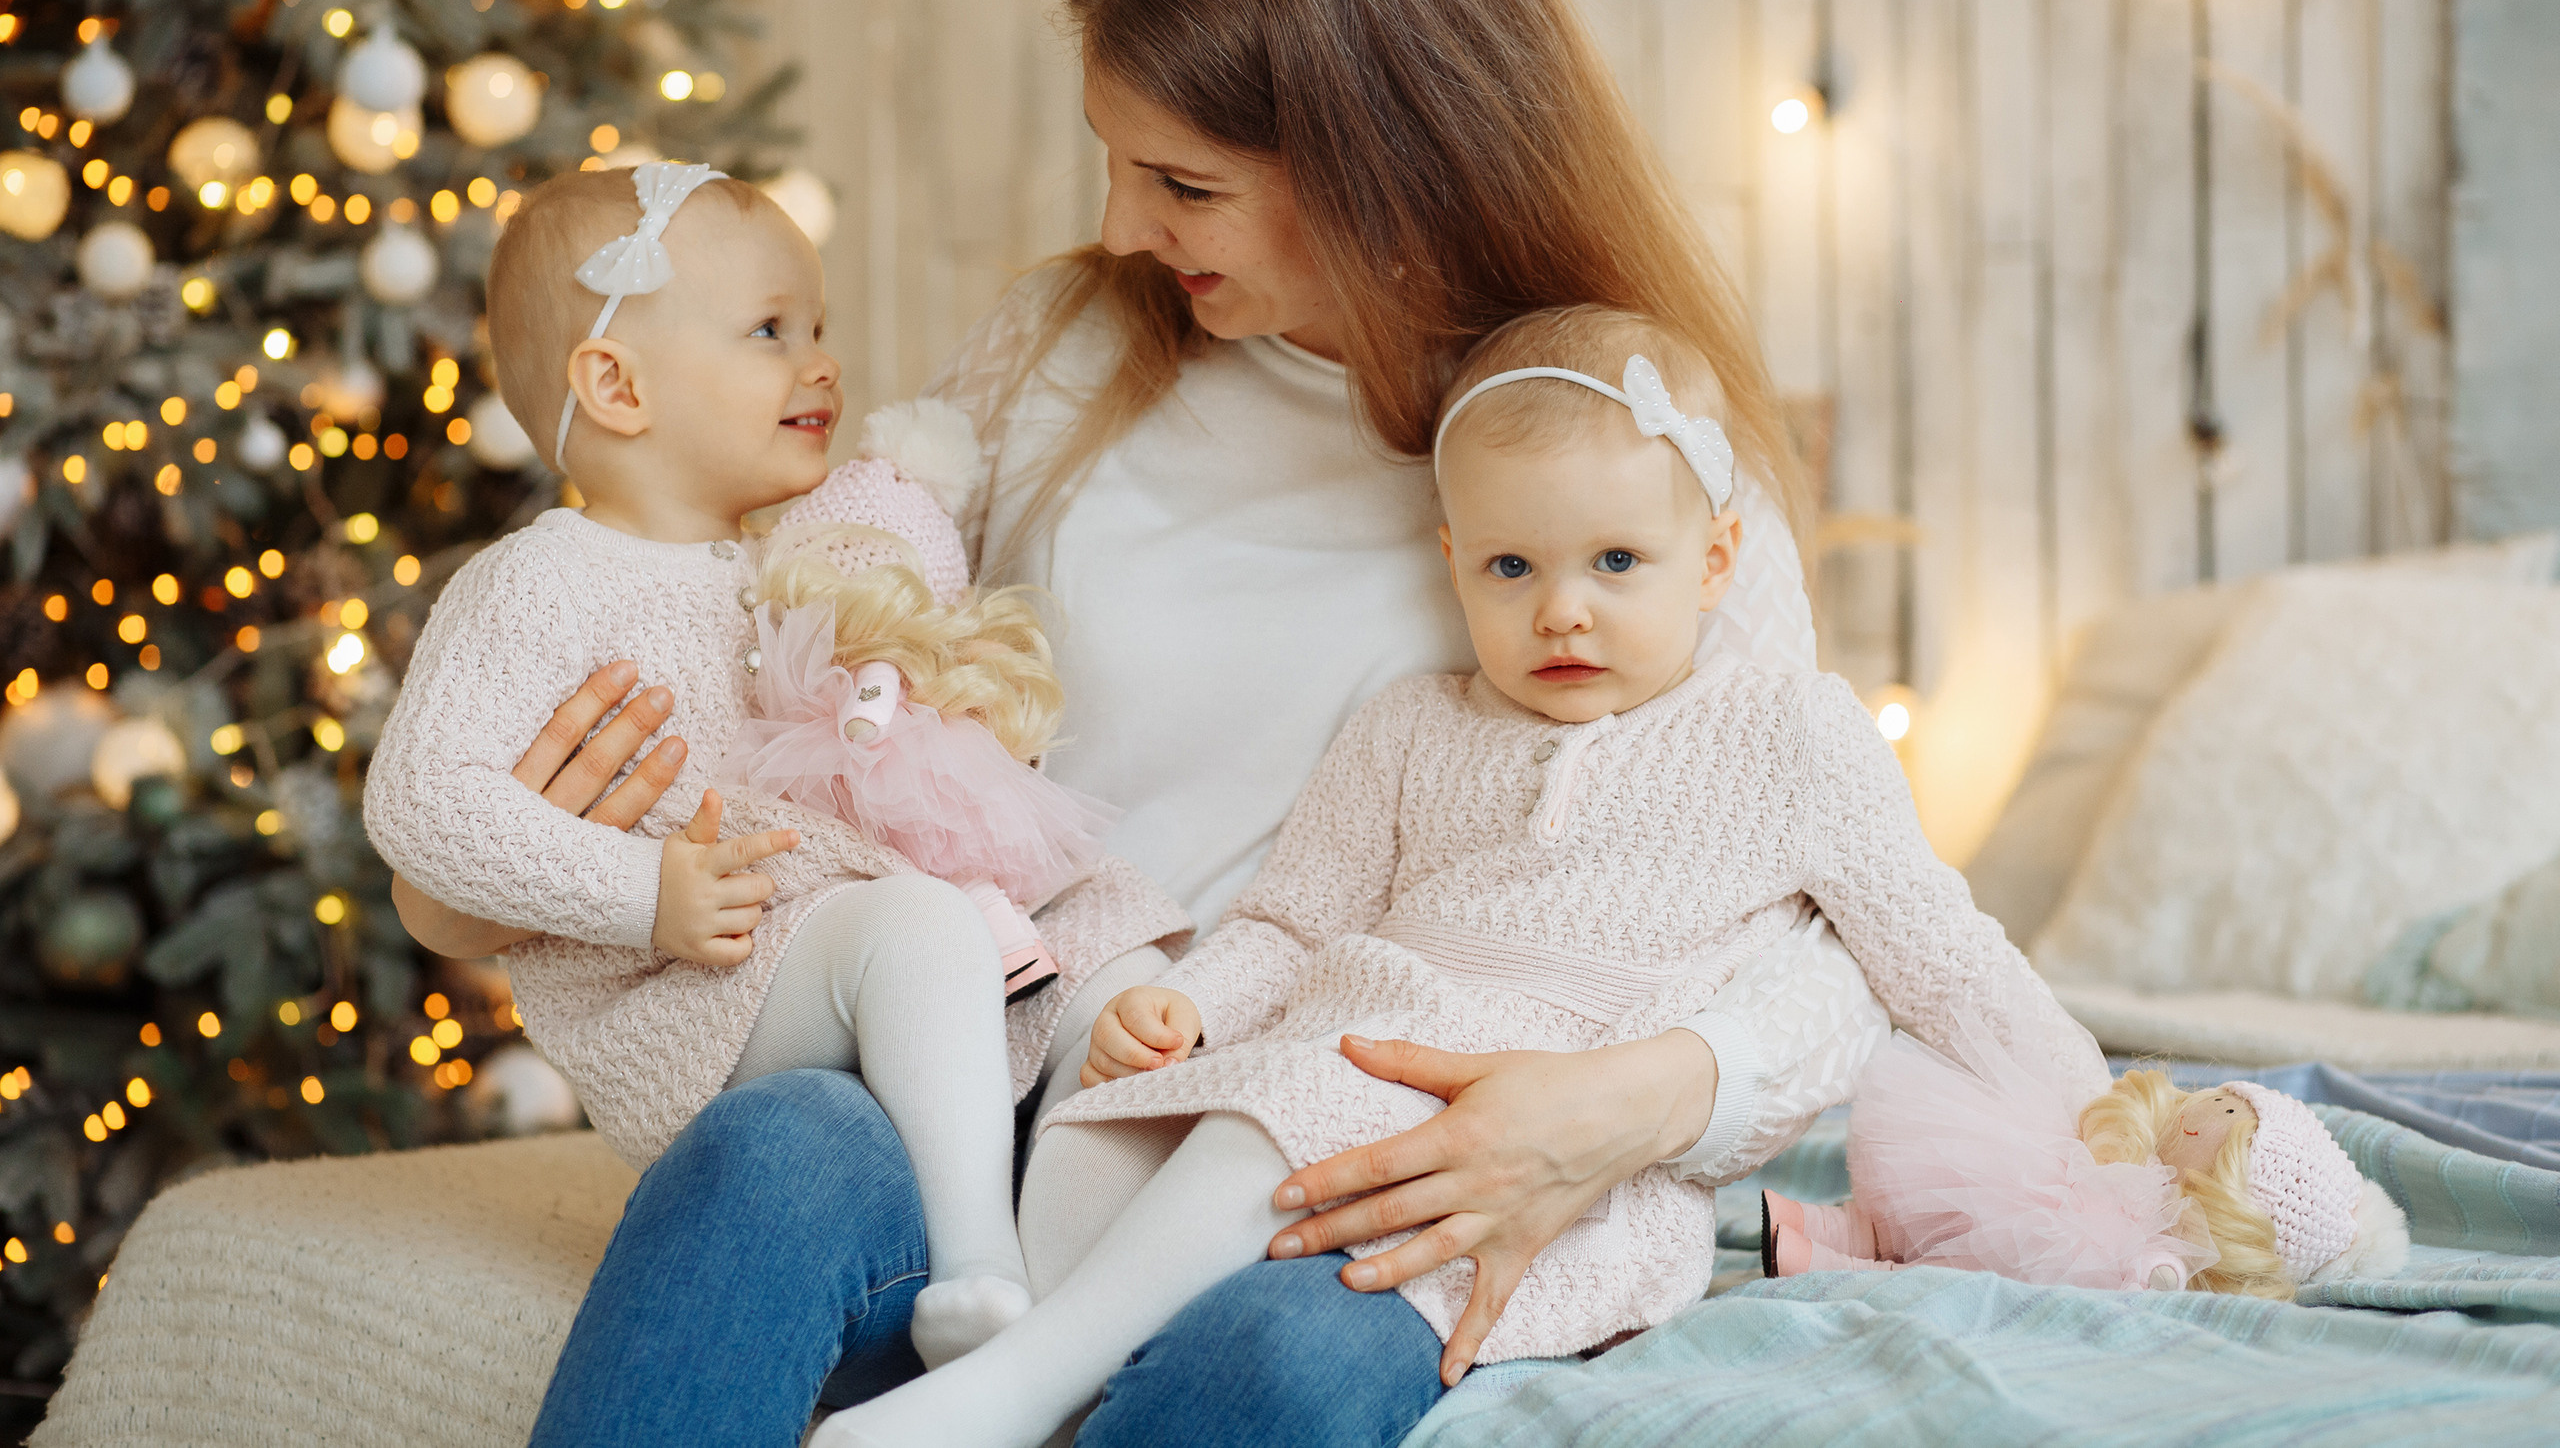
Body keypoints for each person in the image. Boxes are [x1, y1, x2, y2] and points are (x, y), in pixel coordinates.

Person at [402, 0, 1894, 1448]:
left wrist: (1614, 1110)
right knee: (774, 1159)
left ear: (1384, 161)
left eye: (1183, 181)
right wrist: (479, 883)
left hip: (1334, 1110)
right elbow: (837, 670)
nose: (1121, 225)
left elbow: (1828, 934)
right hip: (1013, 1055)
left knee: (1289, 1360)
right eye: (1115, 159)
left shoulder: (1625, 451)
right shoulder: (1061, 348)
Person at [814, 313, 2106, 1448]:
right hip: (1333, 1044)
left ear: (1712, 561)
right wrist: (1193, 1004)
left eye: (1616, 562)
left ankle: (1011, 1391)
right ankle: (1040, 1363)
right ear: (1454, 558)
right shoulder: (1410, 724)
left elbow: (1940, 951)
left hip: (1549, 1134)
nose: (1561, 611)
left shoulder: (1793, 731)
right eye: (1511, 567)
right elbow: (1292, 917)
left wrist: (2099, 1110)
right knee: (1116, 1113)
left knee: (1303, 1099)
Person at [365, 163, 1181, 1374]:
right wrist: (643, 898)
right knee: (910, 931)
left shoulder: (777, 561)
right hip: (678, 1007)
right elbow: (424, 805)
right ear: (615, 384)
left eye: (818, 329)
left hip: (799, 952)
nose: (822, 365)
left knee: (1084, 931)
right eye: (768, 332)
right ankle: (981, 1276)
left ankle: (1108, 1155)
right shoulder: (539, 581)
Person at [1763, 1029, 2409, 1297]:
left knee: (1965, 1263)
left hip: (2056, 1235)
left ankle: (1845, 1265)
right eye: (2220, 1101)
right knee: (1945, 1192)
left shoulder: (2151, 1252)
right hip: (2043, 1157)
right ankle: (1835, 1224)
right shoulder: (2131, 1129)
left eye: (2227, 1129)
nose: (2196, 1114)